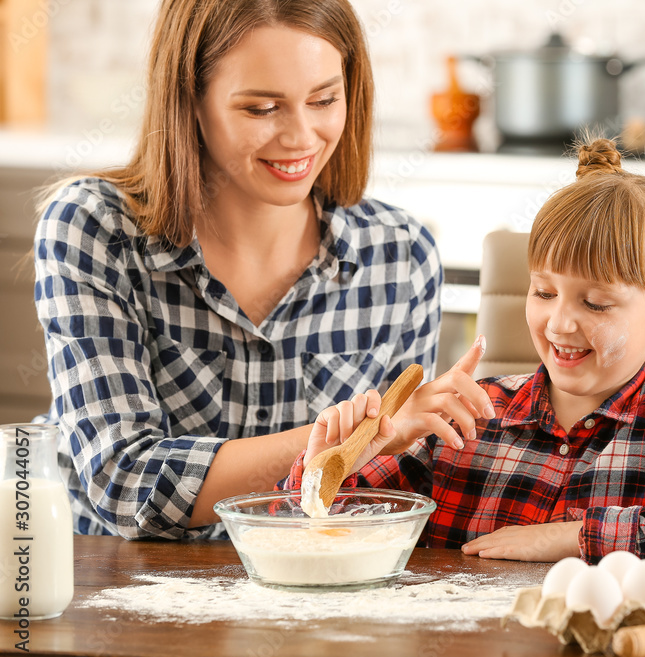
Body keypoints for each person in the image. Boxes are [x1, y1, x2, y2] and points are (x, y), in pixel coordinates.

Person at [31, 0, 490, 539]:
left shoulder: (402, 254)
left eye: (323, 100)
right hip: (104, 584)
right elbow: (123, 482)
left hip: (301, 595)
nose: (300, 137)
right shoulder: (95, 228)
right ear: (190, 100)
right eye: (260, 108)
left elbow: (382, 500)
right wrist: (356, 441)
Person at [283, 138, 645, 562]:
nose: (560, 322)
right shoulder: (467, 418)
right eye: (544, 292)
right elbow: (316, 537)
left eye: (595, 302)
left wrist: (571, 537)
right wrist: (340, 463)